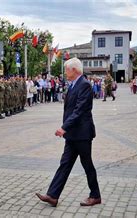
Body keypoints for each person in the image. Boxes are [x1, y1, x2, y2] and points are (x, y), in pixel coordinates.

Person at [36, 57, 101, 207]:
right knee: (64, 164)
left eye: (66, 69)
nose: (65, 72)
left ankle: (95, 195)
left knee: (87, 165)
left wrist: (64, 127)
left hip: (82, 134)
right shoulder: (73, 85)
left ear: (74, 70)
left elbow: (79, 111)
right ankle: (53, 195)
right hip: (72, 134)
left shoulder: (84, 85)